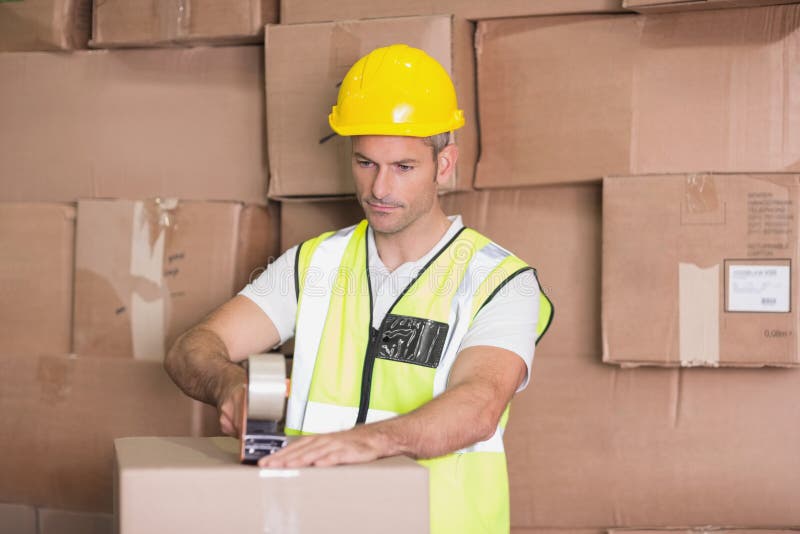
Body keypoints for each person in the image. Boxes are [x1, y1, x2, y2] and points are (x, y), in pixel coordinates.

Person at [165, 44, 552, 534]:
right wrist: (229, 385)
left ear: (445, 163)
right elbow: (192, 348)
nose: (379, 188)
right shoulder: (314, 265)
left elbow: (478, 406)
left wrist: (366, 441)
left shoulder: (502, 282)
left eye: (404, 167)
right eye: (366, 163)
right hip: (315, 522)